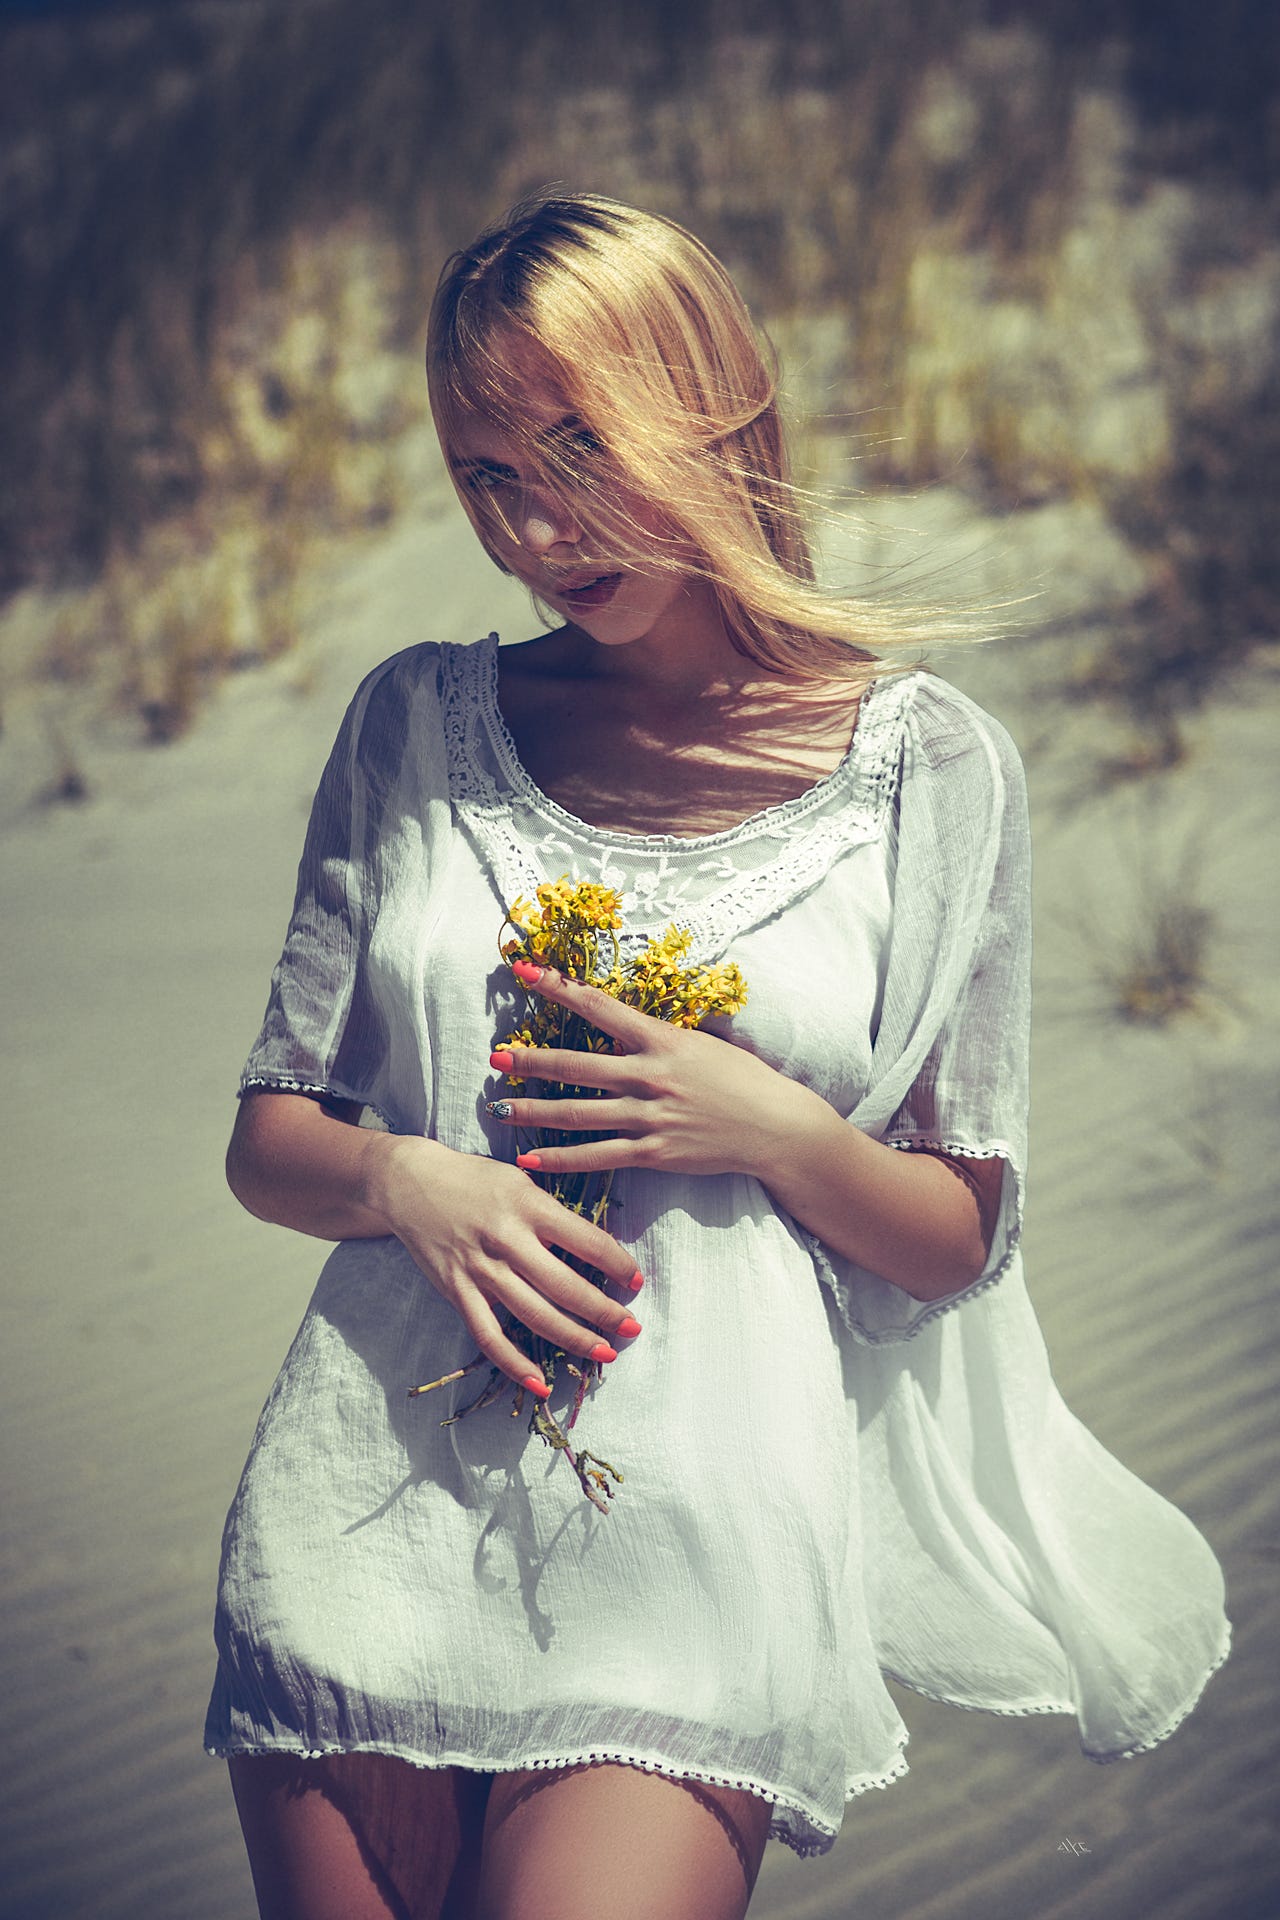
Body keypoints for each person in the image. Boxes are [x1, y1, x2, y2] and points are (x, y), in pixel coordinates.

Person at [204, 193, 1231, 1920]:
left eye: (577, 446)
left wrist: (770, 1126)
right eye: (488, 477)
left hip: (696, 1544)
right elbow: (269, 1133)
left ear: (711, 400)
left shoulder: (930, 768)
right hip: (359, 1505)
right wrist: (410, 1179)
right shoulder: (418, 725)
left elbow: (960, 1233)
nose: (537, 523)